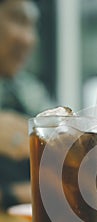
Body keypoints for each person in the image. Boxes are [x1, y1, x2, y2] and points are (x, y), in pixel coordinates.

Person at [0, 0, 53, 210]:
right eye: (17, 19)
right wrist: (12, 195)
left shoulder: (30, 91)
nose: (29, 39)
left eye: (33, 25)